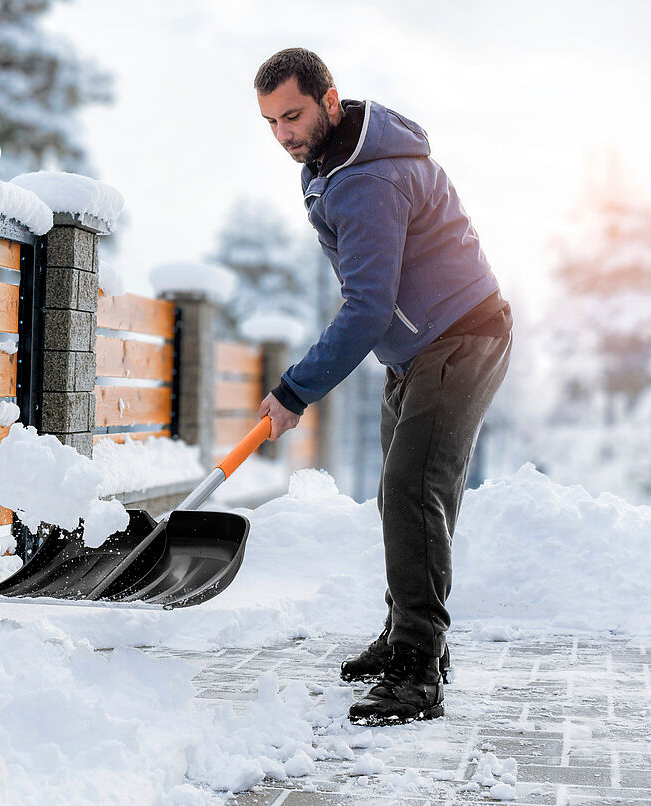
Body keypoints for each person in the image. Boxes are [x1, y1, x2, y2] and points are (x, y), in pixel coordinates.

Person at [252, 48, 513, 726]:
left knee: (411, 488)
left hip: (458, 337)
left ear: (329, 101)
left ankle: (418, 671)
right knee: (409, 492)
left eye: (293, 115)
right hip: (420, 345)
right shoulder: (333, 165)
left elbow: (367, 305)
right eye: (271, 121)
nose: (283, 133)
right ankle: (409, 638)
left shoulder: (368, 178)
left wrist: (293, 390)